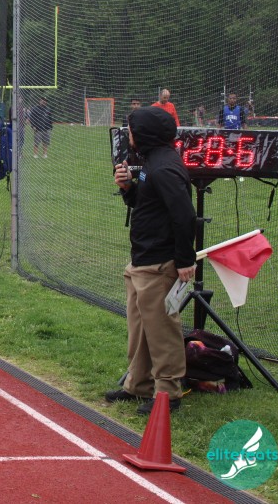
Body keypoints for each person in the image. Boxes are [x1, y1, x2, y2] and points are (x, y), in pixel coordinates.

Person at [108, 106, 195, 415]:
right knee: (141, 330)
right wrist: (128, 188)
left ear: (145, 134)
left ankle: (168, 393)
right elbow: (146, 203)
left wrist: (184, 260)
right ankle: (139, 385)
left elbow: (184, 216)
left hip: (159, 264)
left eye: (132, 130)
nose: (128, 135)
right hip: (141, 261)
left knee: (161, 330)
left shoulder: (164, 168)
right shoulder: (151, 164)